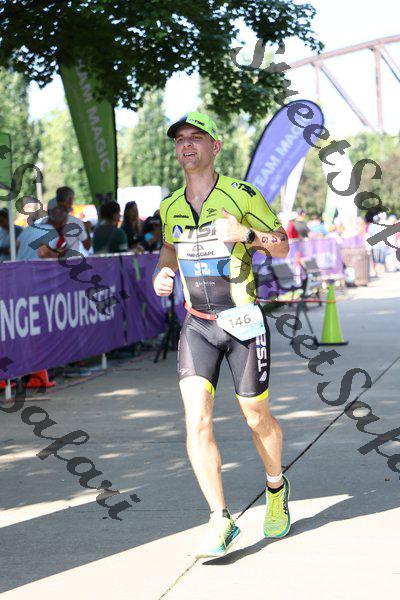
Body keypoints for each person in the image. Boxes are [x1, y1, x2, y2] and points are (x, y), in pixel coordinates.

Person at [152, 111, 290, 558]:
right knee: (196, 420)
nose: (186, 145)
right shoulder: (170, 205)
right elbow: (169, 248)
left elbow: (282, 244)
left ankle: (275, 488)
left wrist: (246, 233)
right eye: (180, 139)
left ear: (215, 147)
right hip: (196, 324)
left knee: (256, 418)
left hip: (241, 321)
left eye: (196, 138)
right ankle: (220, 519)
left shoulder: (241, 194)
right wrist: (163, 272)